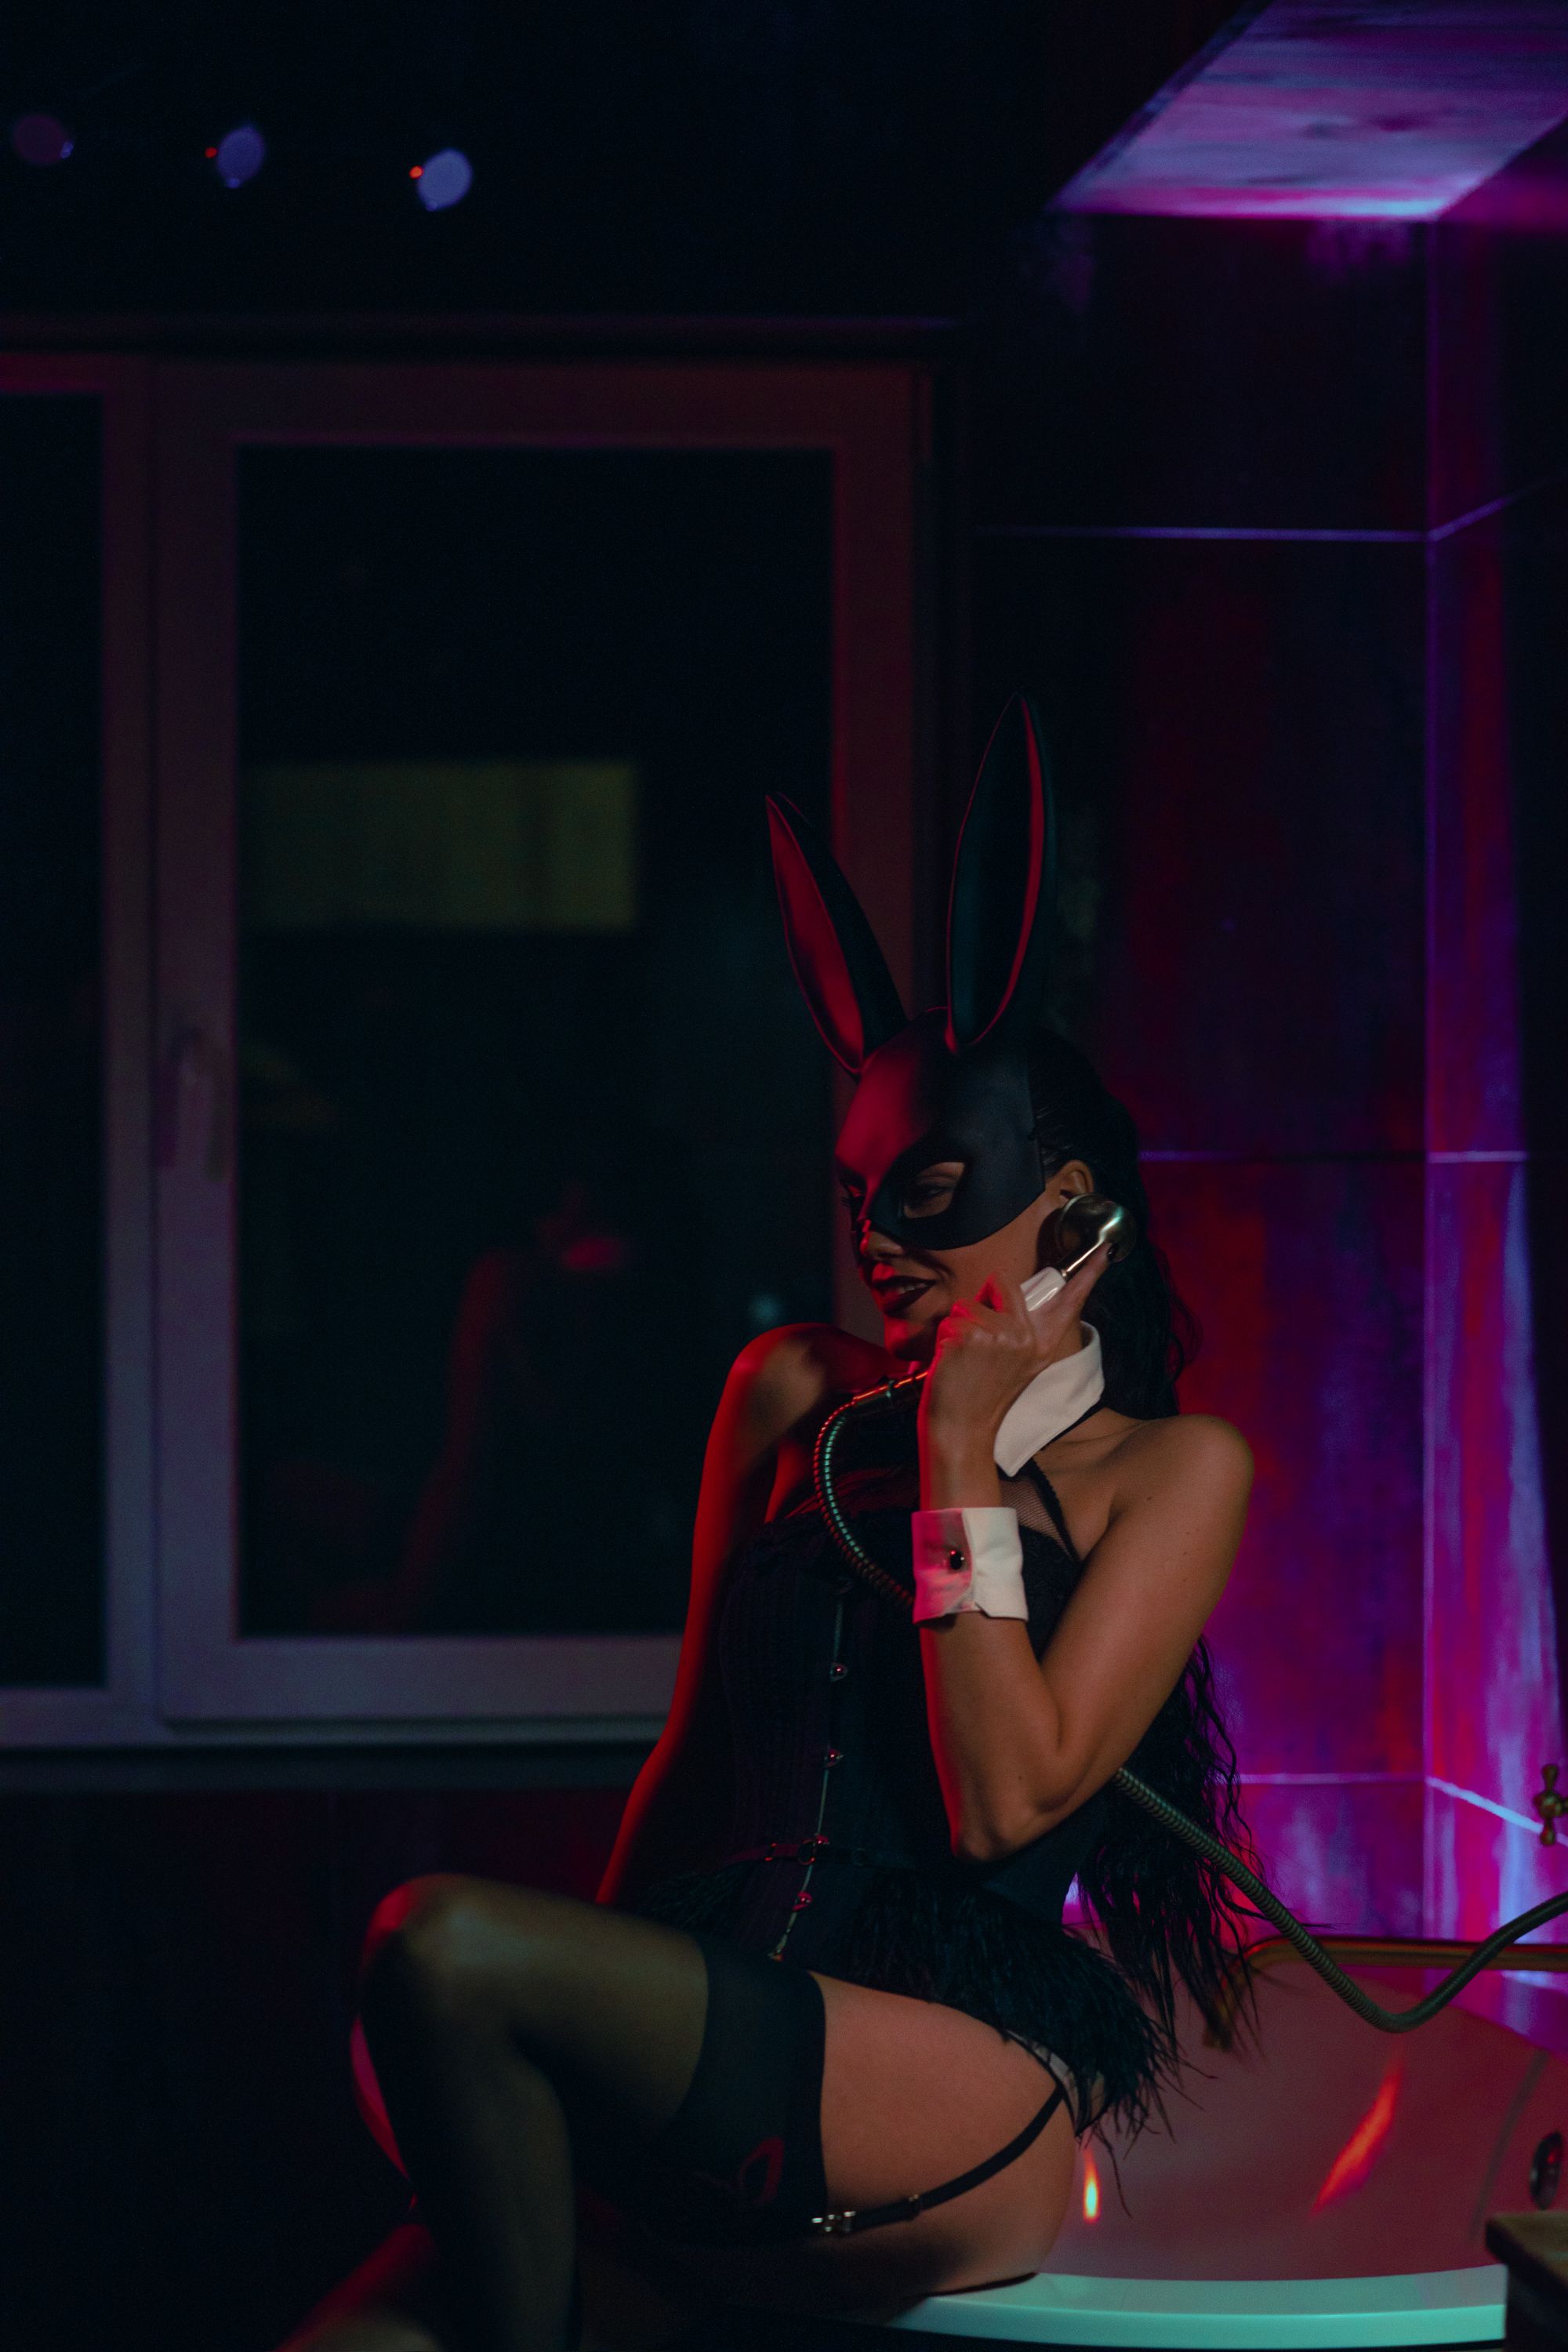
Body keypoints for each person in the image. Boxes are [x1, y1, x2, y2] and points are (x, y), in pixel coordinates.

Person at [280, 697, 1254, 2352]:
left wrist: (958, 1443)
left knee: (435, 1942)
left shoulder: (1164, 1474)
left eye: (926, 1192)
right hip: (731, 2024)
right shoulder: (790, 1390)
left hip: (946, 2080)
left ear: (1071, 1214)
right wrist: (586, 2028)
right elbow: (690, 1763)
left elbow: (1002, 1807)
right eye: (857, 1195)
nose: (876, 1239)